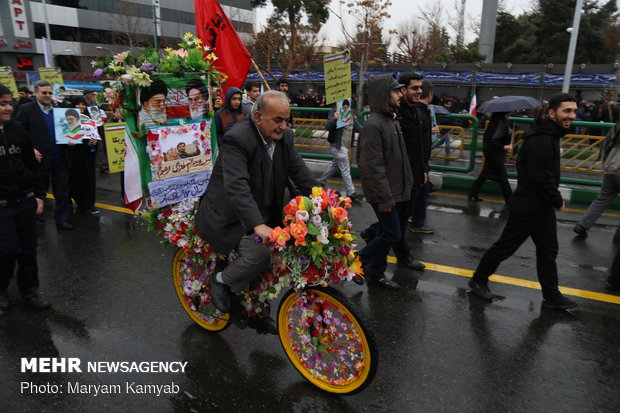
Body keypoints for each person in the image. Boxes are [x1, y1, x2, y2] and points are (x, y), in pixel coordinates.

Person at [195, 91, 320, 332]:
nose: (284, 126)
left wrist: (327, 199)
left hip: (262, 208)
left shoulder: (285, 137)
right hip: (231, 215)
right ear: (259, 117)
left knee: (283, 252)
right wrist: (257, 224)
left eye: (286, 120)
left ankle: (256, 307)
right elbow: (238, 187)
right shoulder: (237, 139)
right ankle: (220, 280)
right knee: (260, 255)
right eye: (278, 120)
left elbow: (300, 172)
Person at [468, 93, 579, 310]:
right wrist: (557, 200)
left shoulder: (549, 134)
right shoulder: (541, 139)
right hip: (529, 206)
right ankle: (479, 279)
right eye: (567, 111)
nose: (572, 116)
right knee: (505, 247)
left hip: (542, 206)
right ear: (551, 113)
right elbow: (540, 176)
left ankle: (551, 296)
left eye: (574, 111)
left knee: (548, 251)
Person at [357, 74, 423, 290]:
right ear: (384, 95)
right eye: (396, 91)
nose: (400, 94)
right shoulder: (374, 125)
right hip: (385, 194)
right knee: (392, 233)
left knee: (387, 232)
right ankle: (356, 262)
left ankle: (376, 274)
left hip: (397, 189)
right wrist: (385, 199)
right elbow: (372, 167)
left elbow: (400, 158)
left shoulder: (391, 120)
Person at [0, 84, 51, 311]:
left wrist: (39, 195)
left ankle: (30, 290)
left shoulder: (18, 130)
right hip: (2, 206)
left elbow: (32, 165)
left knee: (29, 250)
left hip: (25, 200)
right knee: (8, 249)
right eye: (2, 103)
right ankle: (2, 289)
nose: (8, 108)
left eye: (10, 103)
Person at [16, 80, 74, 230]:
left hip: (59, 157)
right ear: (35, 93)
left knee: (62, 191)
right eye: (44, 93)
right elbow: (19, 133)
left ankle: (61, 220)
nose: (48, 95)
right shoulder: (26, 109)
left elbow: (68, 131)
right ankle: (35, 216)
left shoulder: (59, 110)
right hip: (38, 159)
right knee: (38, 190)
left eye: (49, 92)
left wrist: (71, 139)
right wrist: (30, 149)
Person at [574, 118, 620, 241]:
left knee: (603, 198)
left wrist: (604, 159)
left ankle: (582, 225)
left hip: (612, 163)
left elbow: (609, 140)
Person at [410, 79, 438, 234]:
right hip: (419, 162)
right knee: (420, 193)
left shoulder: (414, 111)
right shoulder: (421, 112)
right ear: (431, 94)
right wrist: (423, 167)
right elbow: (420, 142)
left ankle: (416, 219)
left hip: (417, 162)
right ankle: (417, 222)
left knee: (419, 193)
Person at [318, 100, 362, 200]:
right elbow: (327, 126)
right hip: (337, 146)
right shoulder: (335, 111)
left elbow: (357, 127)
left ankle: (322, 181)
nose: (349, 102)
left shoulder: (350, 114)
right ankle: (351, 192)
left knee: (335, 165)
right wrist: (334, 119)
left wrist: (368, 131)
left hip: (344, 146)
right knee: (345, 169)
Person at [468, 112, 513, 203]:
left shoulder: (496, 121)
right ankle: (510, 199)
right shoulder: (501, 123)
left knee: (485, 174)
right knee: (503, 176)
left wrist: (509, 133)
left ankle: (473, 192)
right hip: (495, 153)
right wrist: (503, 147)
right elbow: (494, 140)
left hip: (490, 151)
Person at [67, 96, 99, 215]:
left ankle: (88, 204)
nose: (81, 106)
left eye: (83, 104)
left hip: (87, 156)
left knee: (88, 180)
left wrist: (94, 142)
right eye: (78, 104)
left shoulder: (90, 119)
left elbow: (95, 137)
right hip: (73, 155)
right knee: (74, 179)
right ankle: (73, 201)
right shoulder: (67, 120)